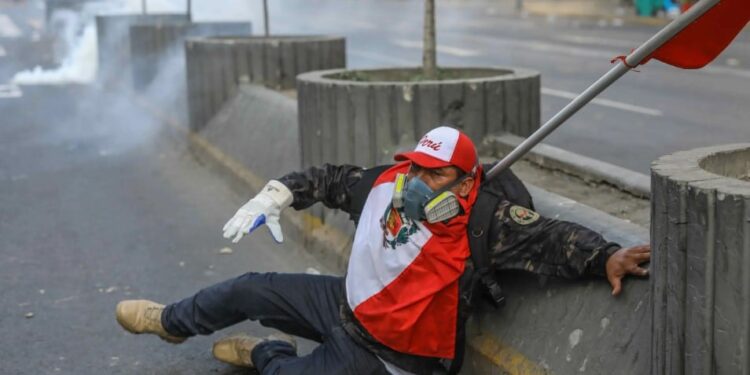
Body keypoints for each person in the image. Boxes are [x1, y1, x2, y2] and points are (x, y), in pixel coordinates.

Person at [115, 126, 650, 374]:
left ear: (465, 184)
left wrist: (606, 255)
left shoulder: (488, 221)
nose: (417, 179)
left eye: (433, 173)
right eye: (415, 166)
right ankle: (173, 321)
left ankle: (264, 354)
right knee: (246, 287)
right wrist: (276, 194)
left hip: (390, 358)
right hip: (344, 307)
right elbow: (327, 180)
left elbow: (556, 238)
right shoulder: (388, 182)